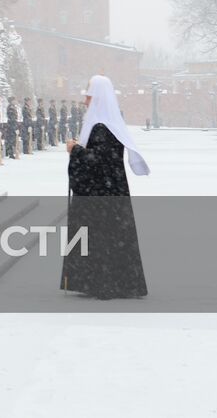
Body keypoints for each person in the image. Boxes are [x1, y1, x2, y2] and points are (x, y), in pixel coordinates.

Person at [61, 74, 149, 300]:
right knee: (108, 236)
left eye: (89, 97)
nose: (85, 102)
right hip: (107, 192)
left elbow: (98, 160)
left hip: (100, 195)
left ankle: (102, 281)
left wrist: (75, 150)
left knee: (101, 236)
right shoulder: (107, 125)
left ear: (97, 98)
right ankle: (113, 279)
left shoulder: (102, 127)